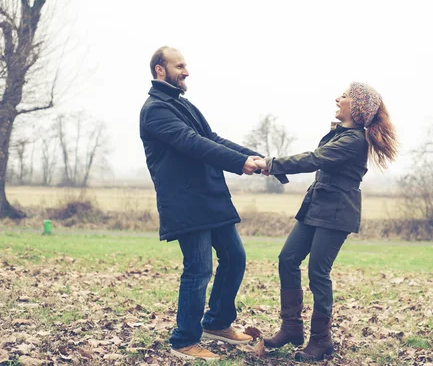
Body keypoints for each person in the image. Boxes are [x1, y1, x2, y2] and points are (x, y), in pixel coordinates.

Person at [139, 46, 287, 361]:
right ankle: (184, 340)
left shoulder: (182, 105)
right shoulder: (155, 110)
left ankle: (217, 323)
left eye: (186, 65)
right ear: (160, 70)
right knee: (199, 268)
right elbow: (193, 144)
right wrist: (241, 162)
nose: (187, 71)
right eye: (179, 65)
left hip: (210, 198)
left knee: (235, 257)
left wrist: (255, 158)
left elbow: (213, 138)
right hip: (185, 202)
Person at [254, 82, 398, 361]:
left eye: (344, 96)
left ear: (356, 107)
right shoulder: (341, 134)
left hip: (337, 212)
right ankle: (291, 328)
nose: (338, 98)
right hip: (317, 205)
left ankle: (321, 340)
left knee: (318, 272)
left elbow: (314, 159)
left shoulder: (354, 140)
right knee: (287, 258)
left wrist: (271, 164)